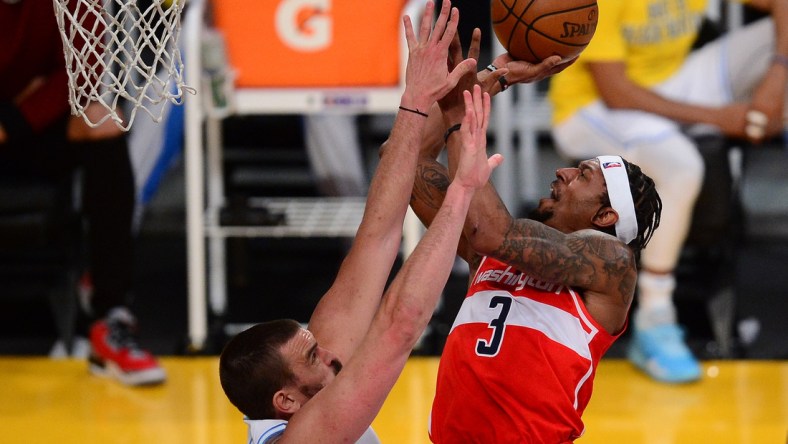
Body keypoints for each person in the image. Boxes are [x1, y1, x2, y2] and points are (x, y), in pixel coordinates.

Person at [217, 1, 547, 441]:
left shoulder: (313, 382)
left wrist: (429, 96)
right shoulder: (303, 438)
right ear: (286, 402)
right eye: (313, 357)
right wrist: (461, 190)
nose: (333, 354)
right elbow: (402, 324)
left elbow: (378, 234)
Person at [407, 30, 662, 439]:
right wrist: (489, 79)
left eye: (583, 175)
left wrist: (463, 116)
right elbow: (404, 161)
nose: (562, 172)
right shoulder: (490, 252)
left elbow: (492, 231)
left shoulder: (612, 264)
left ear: (605, 215)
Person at [546, 0, 788, 383]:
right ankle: (654, 318)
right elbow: (616, 93)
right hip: (592, 106)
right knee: (681, 165)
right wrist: (720, 118)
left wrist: (778, 75)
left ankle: (766, 115)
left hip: (674, 81)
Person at [0, 1, 164, 386]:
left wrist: (13, 119)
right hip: (22, 110)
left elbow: (79, 70)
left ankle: (110, 316)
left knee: (102, 120)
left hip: (26, 125)